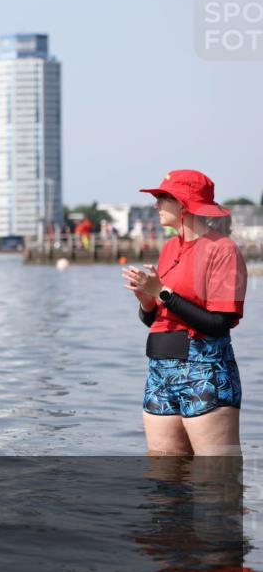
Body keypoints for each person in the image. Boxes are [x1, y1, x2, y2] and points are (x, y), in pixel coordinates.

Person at [121, 170, 246, 455]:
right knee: (163, 480)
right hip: (160, 369)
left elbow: (219, 322)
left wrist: (163, 292)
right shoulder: (169, 248)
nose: (156, 205)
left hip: (205, 370)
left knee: (216, 482)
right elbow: (155, 319)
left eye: (162, 197)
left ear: (184, 203)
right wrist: (147, 301)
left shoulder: (222, 249)